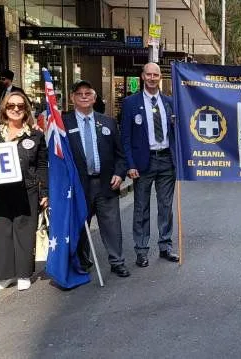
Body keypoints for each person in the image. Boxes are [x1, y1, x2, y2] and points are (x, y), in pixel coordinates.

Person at [62, 80, 130, 278]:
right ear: (73, 98)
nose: (84, 96)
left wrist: (119, 173)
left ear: (94, 97)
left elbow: (120, 154)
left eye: (88, 93)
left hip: (106, 183)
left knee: (111, 225)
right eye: (79, 93)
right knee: (81, 226)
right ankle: (82, 261)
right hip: (79, 186)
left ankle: (117, 261)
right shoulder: (64, 124)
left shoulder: (108, 122)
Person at [121, 62, 179, 267]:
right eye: (149, 74)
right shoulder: (130, 103)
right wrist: (130, 164)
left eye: (156, 74)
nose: (152, 78)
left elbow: (177, 135)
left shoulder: (170, 102)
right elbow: (125, 138)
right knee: (141, 207)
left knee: (166, 206)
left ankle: (165, 246)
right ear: (142, 76)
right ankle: (141, 249)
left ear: (160, 77)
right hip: (143, 162)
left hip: (166, 161)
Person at [0, 92, 47, 291]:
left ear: (26, 109)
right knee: (3, 231)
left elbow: (41, 165)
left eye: (20, 106)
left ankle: (23, 273)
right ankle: (4, 275)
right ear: (5, 109)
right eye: (11, 105)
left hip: (27, 189)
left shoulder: (36, 135)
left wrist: (44, 190)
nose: (15, 109)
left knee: (24, 230)